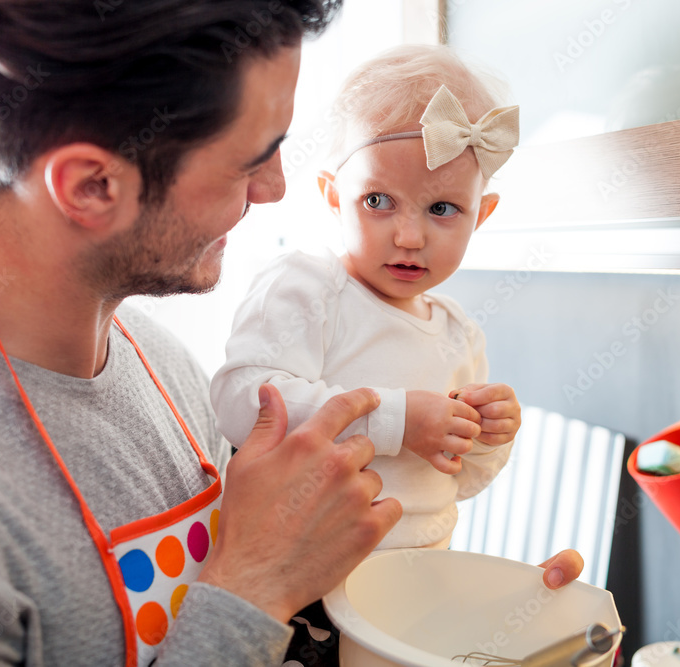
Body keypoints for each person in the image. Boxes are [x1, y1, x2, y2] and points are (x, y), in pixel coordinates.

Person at [0, 2, 584, 665]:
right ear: (93, 186)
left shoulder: (164, 363)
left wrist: (472, 617)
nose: (277, 187)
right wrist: (253, 592)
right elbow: (262, 579)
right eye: (253, 158)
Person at [211, 45, 521, 552]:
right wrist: (397, 421)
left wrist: (488, 438)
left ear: (480, 215)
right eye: (378, 201)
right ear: (334, 196)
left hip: (417, 586)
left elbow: (457, 482)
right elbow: (242, 404)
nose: (408, 237)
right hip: (306, 585)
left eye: (442, 207)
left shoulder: (458, 334)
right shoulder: (309, 289)